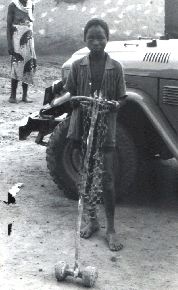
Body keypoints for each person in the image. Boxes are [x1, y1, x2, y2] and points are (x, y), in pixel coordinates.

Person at [64, 18, 127, 251]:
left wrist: (115, 105)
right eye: (91, 37)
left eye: (101, 37)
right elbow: (70, 91)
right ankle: (92, 222)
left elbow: (122, 97)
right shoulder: (77, 66)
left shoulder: (116, 67)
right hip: (83, 127)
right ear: (85, 40)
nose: (96, 42)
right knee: (87, 177)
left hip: (105, 130)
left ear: (107, 39)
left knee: (107, 179)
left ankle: (110, 229)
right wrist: (72, 100)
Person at [7, 0, 36, 103]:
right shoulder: (13, 5)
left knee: (28, 65)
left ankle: (25, 95)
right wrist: (9, 44)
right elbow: (9, 26)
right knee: (16, 64)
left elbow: (30, 22)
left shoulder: (31, 5)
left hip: (29, 38)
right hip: (17, 38)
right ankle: (13, 95)